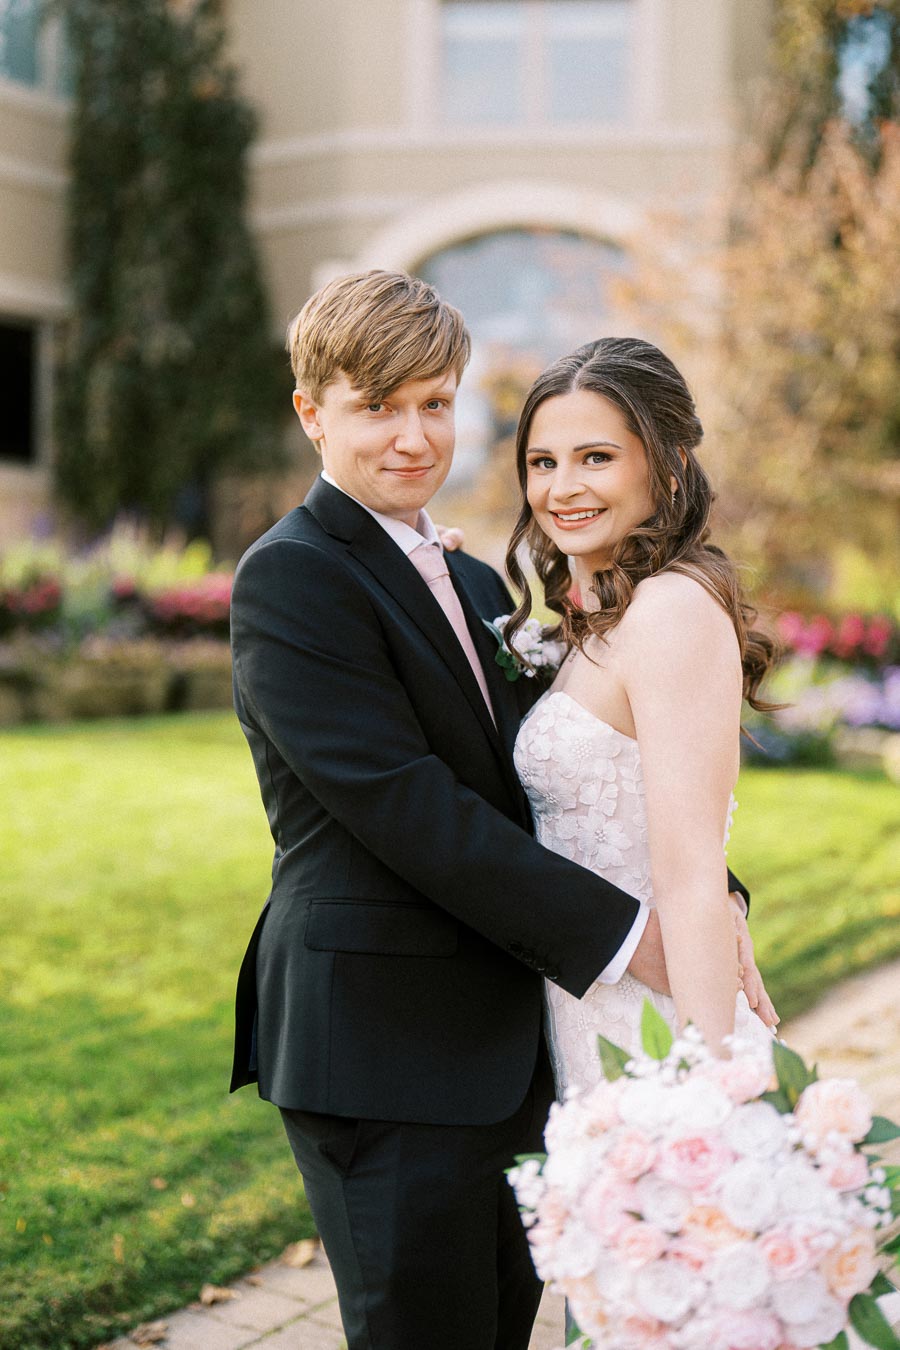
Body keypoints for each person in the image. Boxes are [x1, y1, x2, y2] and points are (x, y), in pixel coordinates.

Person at [228, 272, 771, 1350]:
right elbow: (410, 809)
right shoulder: (291, 581)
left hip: (518, 1051)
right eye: (377, 405)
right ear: (312, 414)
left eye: (437, 401)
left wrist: (708, 893)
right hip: (383, 1050)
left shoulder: (480, 589)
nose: (413, 436)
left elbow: (562, 789)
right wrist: (637, 936)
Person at [506, 336, 779, 1091]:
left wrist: (705, 1086)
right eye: (543, 462)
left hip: (654, 1028)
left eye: (596, 457)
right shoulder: (590, 619)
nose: (563, 487)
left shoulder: (670, 611)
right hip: (585, 1008)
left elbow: (691, 878)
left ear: (667, 464)